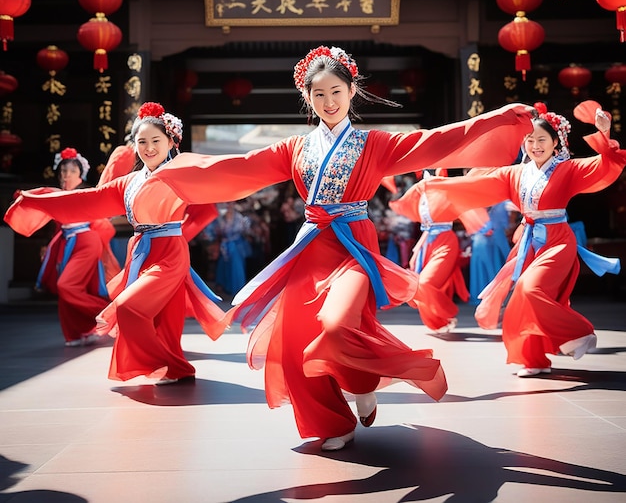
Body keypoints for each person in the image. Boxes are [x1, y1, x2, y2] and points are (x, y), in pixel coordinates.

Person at [147, 45, 535, 450]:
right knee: (294, 340)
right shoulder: (294, 148)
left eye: (336, 92)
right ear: (307, 98)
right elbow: (242, 166)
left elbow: (435, 141)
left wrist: (501, 119)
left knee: (336, 325)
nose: (328, 102)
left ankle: (362, 382)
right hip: (312, 246)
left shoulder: (376, 144)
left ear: (352, 92)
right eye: (319, 95)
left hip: (354, 247)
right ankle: (333, 421)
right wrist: (176, 172)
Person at [5, 102, 227, 384]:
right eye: (141, 141)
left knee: (128, 309)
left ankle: (160, 362)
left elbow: (224, 174)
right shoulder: (130, 182)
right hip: (140, 252)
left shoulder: (182, 170)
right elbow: (87, 200)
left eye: (156, 141)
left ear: (171, 141)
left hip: (170, 252)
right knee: (166, 320)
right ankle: (177, 368)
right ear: (134, 145)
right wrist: (39, 200)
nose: (148, 148)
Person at [410, 100, 625, 377]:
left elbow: (604, 165)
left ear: (555, 144)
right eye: (530, 139)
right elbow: (479, 185)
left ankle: (579, 333)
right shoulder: (517, 173)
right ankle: (533, 358)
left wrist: (605, 135)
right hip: (529, 243)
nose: (535, 145)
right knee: (518, 302)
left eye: (541, 140)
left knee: (529, 290)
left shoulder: (567, 170)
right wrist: (439, 185)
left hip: (557, 241)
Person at [389, 170, 487, 332]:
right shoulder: (420, 188)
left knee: (425, 283)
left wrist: (478, 226)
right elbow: (425, 226)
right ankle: (437, 322)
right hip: (427, 240)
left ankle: (447, 313)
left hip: (445, 241)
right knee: (417, 285)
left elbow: (466, 203)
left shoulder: (447, 186)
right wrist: (417, 251)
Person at [34, 147, 113, 346]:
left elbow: (103, 218)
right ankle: (78, 333)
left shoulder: (86, 193)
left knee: (66, 286)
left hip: (86, 242)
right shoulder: (59, 195)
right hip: (67, 243)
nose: (66, 175)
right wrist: (47, 246)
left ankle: (108, 314)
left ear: (80, 174)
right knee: (69, 292)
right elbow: (55, 226)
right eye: (63, 172)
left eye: (71, 171)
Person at [206, 202, 252, 296]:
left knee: (236, 267)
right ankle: (225, 287)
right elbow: (211, 231)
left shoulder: (239, 217)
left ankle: (238, 291)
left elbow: (246, 229)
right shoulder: (220, 218)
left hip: (236, 246)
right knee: (224, 266)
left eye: (230, 203)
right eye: (227, 204)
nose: (228, 206)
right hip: (225, 246)